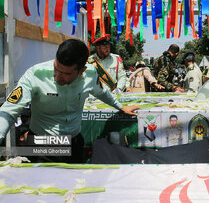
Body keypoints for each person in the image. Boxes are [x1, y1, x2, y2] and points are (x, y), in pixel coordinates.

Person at [0, 39, 140, 163]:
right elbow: (8, 111)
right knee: (42, 187)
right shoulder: (36, 75)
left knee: (74, 186)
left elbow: (102, 93)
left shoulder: (90, 74)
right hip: (42, 143)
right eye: (56, 68)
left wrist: (121, 107)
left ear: (81, 71)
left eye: (66, 74)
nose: (58, 77)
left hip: (74, 142)